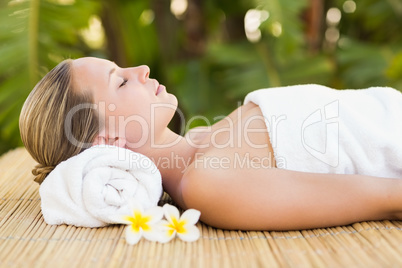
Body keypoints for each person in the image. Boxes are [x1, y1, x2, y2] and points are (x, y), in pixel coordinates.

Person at [19, 57, 402, 231]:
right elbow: (387, 197)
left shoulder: (204, 143)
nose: (142, 70)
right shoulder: (210, 184)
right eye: (120, 81)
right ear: (109, 139)